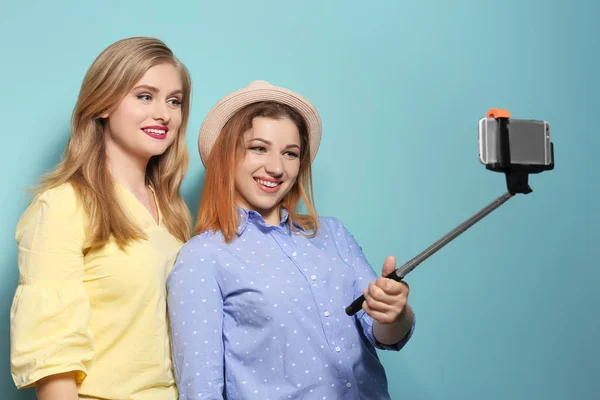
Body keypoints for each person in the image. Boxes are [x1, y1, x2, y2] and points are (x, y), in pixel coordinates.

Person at [167, 80, 416, 399]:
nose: (276, 167)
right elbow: (201, 390)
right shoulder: (202, 257)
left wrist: (396, 312)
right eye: (258, 148)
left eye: (291, 153)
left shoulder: (334, 234)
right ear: (227, 155)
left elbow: (383, 333)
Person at [10, 36, 193, 400]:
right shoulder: (62, 206)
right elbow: (53, 363)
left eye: (175, 101)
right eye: (145, 96)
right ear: (104, 103)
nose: (164, 113)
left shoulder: (175, 214)